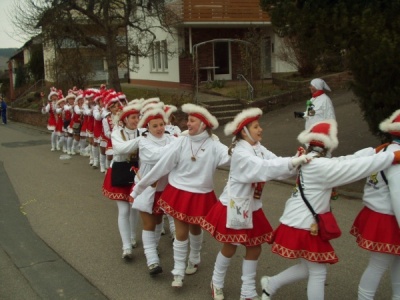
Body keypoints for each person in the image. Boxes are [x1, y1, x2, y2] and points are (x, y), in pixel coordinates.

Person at [260, 119, 400, 300]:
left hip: (298, 220)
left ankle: (271, 284)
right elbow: (352, 168)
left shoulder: (313, 161)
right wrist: (390, 156)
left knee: (307, 268)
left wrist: (373, 152)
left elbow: (344, 161)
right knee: (318, 272)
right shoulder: (321, 166)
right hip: (304, 223)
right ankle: (271, 284)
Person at [201, 108, 311, 300]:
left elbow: (275, 163)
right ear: (244, 131)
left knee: (254, 247)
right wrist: (293, 162)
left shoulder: (258, 147)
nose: (260, 129)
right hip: (236, 207)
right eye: (256, 126)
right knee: (231, 246)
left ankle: (248, 291)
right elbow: (263, 168)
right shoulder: (241, 153)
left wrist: (296, 161)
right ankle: (216, 282)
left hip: (251, 207)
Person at [131, 103, 230, 288]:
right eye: (187, 120)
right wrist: (140, 187)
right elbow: (162, 165)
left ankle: (194, 257)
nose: (187, 124)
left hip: (201, 193)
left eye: (191, 121)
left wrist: (240, 148)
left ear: (203, 124)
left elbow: (232, 158)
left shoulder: (215, 145)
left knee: (195, 228)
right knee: (181, 232)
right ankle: (178, 272)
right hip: (178, 192)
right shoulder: (181, 141)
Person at [351, 109, 400, 300]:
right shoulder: (397, 158)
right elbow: (398, 195)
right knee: (379, 265)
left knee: (395, 261)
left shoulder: (384, 149)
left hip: (380, 213)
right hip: (389, 218)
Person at [132, 107, 176, 275]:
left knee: (158, 221)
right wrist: (176, 148)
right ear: (147, 127)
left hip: (165, 188)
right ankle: (152, 260)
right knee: (149, 223)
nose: (159, 128)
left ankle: (153, 250)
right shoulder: (143, 142)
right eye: (155, 125)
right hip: (147, 189)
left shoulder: (171, 139)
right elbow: (155, 156)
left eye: (161, 125)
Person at [102, 102, 142, 259]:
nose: (136, 120)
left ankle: (132, 237)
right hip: (120, 171)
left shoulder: (142, 131)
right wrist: (140, 141)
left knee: (134, 207)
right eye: (133, 117)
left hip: (137, 174)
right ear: (125, 120)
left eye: (138, 117)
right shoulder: (117, 133)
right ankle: (126, 247)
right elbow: (119, 149)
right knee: (124, 210)